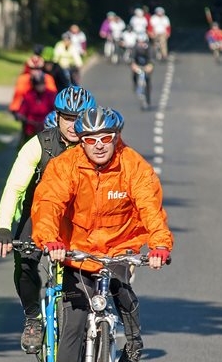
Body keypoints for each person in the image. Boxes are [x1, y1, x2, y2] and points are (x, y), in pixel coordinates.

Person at [31, 106, 174, 362]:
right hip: (78, 251)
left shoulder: (133, 166)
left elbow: (150, 208)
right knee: (73, 325)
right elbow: (48, 203)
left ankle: (133, 345)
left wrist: (159, 246)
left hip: (119, 248)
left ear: (116, 137)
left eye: (106, 138)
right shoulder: (65, 166)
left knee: (122, 293)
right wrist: (51, 240)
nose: (99, 146)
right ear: (81, 142)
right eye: (90, 140)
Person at [0, 85, 98, 354]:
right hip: (38, 215)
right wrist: (3, 227)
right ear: (58, 117)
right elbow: (14, 188)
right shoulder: (39, 144)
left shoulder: (97, 147)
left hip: (77, 219)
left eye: (80, 118)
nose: (73, 125)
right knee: (25, 261)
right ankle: (33, 319)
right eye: (67, 118)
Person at [15, 72, 57, 147]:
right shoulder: (28, 95)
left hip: (47, 128)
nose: (40, 87)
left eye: (42, 84)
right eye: (38, 85)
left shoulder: (50, 95)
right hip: (31, 128)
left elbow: (55, 111)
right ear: (34, 85)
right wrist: (21, 117)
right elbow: (21, 112)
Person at [9, 55, 57, 121]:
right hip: (28, 113)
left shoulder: (48, 78)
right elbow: (19, 95)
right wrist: (17, 111)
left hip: (45, 113)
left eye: (38, 69)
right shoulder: (23, 79)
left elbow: (52, 95)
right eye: (33, 69)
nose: (36, 71)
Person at [130, 34, 154, 108]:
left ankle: (148, 97)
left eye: (143, 42)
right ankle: (135, 85)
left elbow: (151, 58)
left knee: (147, 79)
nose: (141, 44)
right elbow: (132, 58)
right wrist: (133, 64)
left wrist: (150, 65)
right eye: (139, 42)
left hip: (146, 65)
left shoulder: (149, 48)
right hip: (138, 65)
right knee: (134, 74)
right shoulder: (135, 48)